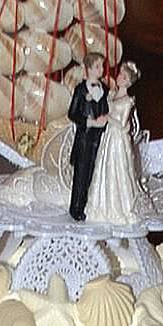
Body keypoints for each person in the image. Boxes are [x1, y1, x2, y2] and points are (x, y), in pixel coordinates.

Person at [85, 61, 156, 226]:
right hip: (109, 136)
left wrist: (108, 118)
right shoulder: (112, 94)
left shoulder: (127, 101)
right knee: (104, 168)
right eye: (120, 75)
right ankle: (102, 206)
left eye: (124, 77)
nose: (119, 78)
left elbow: (122, 124)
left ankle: (121, 207)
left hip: (117, 139)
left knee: (117, 169)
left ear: (129, 82)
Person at [67, 53, 109, 221]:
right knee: (81, 175)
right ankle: (76, 208)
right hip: (85, 139)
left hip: (100, 138)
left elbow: (107, 108)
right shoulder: (80, 90)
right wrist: (90, 122)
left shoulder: (104, 89)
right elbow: (72, 113)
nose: (101, 70)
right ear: (89, 69)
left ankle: (89, 205)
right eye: (97, 66)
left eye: (102, 66)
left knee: (93, 173)